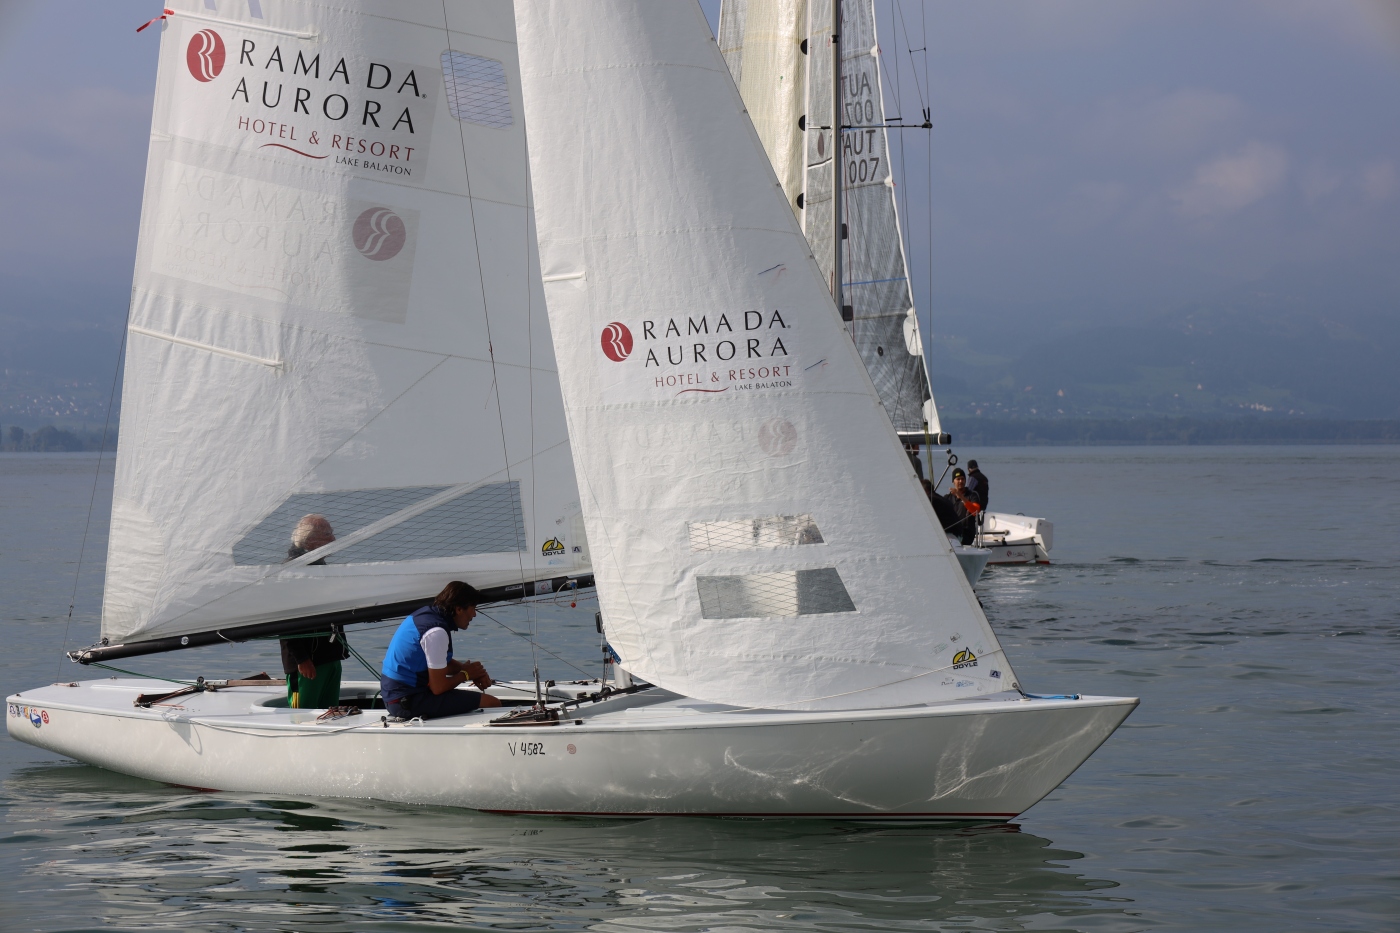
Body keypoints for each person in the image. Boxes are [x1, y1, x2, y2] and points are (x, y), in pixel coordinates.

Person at [380, 581, 502, 720]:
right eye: (473, 608)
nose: (474, 614)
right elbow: (438, 687)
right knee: (492, 703)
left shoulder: (427, 616)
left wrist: (470, 671)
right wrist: (466, 674)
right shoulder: (436, 632)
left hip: (397, 696)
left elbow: (439, 664)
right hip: (406, 701)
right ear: (459, 609)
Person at [280, 514, 348, 709]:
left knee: (330, 713)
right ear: (309, 541)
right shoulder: (291, 571)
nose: (333, 539)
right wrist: (302, 659)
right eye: (327, 534)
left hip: (330, 657)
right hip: (307, 662)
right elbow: (283, 621)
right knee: (303, 716)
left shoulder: (320, 567)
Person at [944, 468, 982, 546]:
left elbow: (975, 511)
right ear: (953, 481)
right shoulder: (947, 498)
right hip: (952, 532)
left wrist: (961, 497)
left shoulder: (972, 495)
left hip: (966, 534)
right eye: (958, 479)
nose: (961, 481)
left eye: (962, 479)